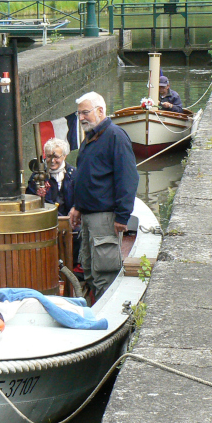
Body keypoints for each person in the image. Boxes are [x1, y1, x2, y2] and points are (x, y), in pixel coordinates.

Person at [67, 92, 139, 301]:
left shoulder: (115, 136)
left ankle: (105, 316)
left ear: (100, 111)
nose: (81, 118)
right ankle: (94, 308)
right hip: (88, 217)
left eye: (85, 112)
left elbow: (128, 178)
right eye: (79, 113)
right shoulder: (90, 138)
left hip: (105, 217)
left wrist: (122, 216)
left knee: (104, 272)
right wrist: (78, 206)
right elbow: (87, 176)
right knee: (89, 268)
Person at [27, 137, 75, 216]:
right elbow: (31, 200)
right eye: (49, 156)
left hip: (70, 221)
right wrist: (38, 195)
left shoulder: (73, 174)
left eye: (56, 157)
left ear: (64, 156)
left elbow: (80, 198)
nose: (52, 161)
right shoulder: (37, 176)